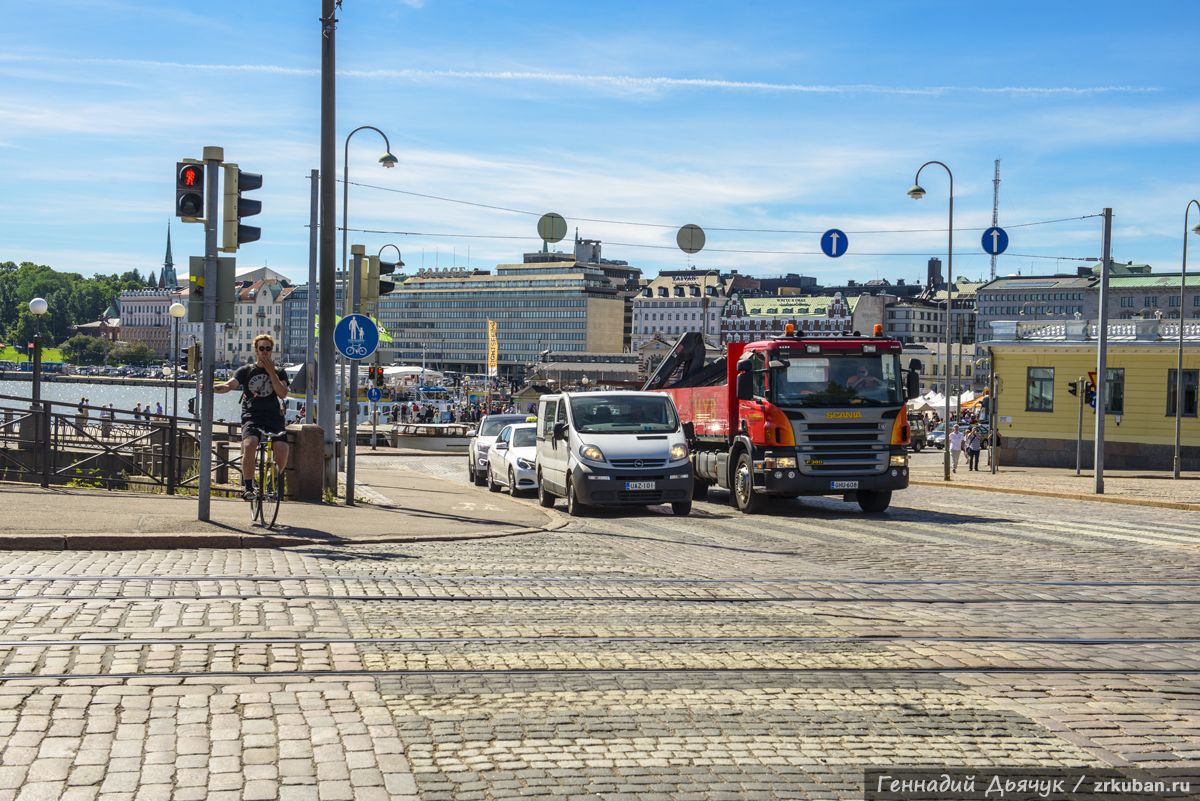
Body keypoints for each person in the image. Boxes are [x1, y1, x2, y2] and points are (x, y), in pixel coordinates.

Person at [214, 333, 290, 501]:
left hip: (273, 417)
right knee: (250, 445)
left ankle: (273, 480)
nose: (265, 352)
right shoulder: (246, 370)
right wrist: (214, 388)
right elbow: (230, 385)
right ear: (256, 350)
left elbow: (282, 393)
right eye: (261, 348)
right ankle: (248, 487)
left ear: (272, 351)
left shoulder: (280, 372)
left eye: (268, 349)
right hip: (252, 416)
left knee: (282, 449)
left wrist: (272, 374)